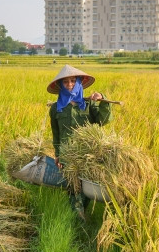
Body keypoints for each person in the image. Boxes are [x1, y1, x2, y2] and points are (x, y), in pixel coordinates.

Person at [47, 64, 111, 220]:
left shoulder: (88, 105)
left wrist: (102, 100)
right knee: (72, 187)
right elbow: (56, 134)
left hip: (87, 152)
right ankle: (77, 217)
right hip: (67, 153)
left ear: (79, 82)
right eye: (66, 82)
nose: (69, 85)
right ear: (61, 85)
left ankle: (81, 213)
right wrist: (57, 154)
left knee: (86, 185)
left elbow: (104, 121)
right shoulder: (56, 108)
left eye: (72, 81)